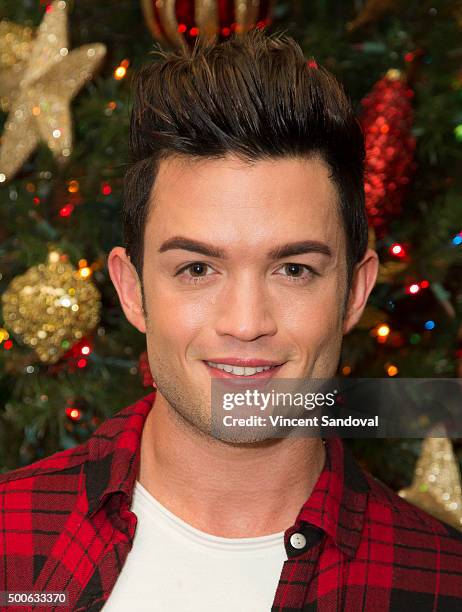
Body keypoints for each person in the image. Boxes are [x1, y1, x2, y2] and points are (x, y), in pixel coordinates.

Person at [1, 29, 461, 612]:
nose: (246, 324)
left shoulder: (442, 584)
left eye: (293, 270)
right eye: (197, 269)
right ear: (132, 290)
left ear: (354, 293)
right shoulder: (9, 539)